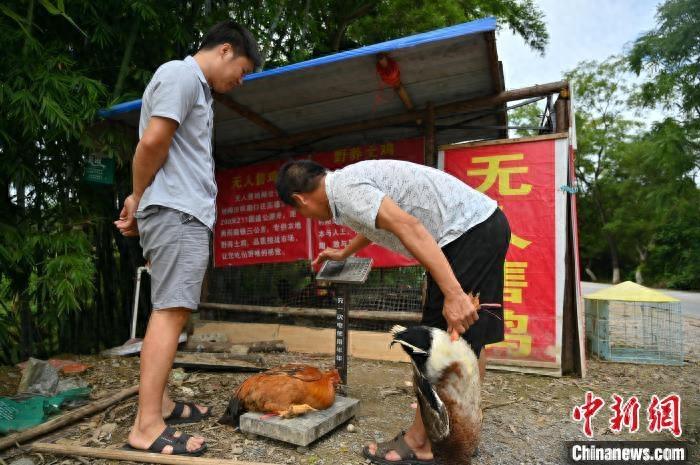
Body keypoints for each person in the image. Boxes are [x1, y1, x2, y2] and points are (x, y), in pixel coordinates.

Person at [275, 158, 511, 464]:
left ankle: (420, 444)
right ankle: (459, 436)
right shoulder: (345, 189)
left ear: (299, 198)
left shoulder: (345, 190)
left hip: (465, 235)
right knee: (467, 339)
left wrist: (453, 293)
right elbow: (378, 223)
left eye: (299, 211)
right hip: (481, 227)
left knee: (438, 343)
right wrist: (345, 251)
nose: (306, 216)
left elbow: (407, 225)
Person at [114, 21, 260, 456]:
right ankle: (147, 425)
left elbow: (162, 150)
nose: (241, 80)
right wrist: (140, 199)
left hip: (175, 210)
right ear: (226, 50)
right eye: (243, 69)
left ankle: (158, 402)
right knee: (171, 312)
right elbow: (152, 142)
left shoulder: (194, 86)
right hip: (177, 212)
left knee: (168, 308)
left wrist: (140, 199)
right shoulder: (181, 75)